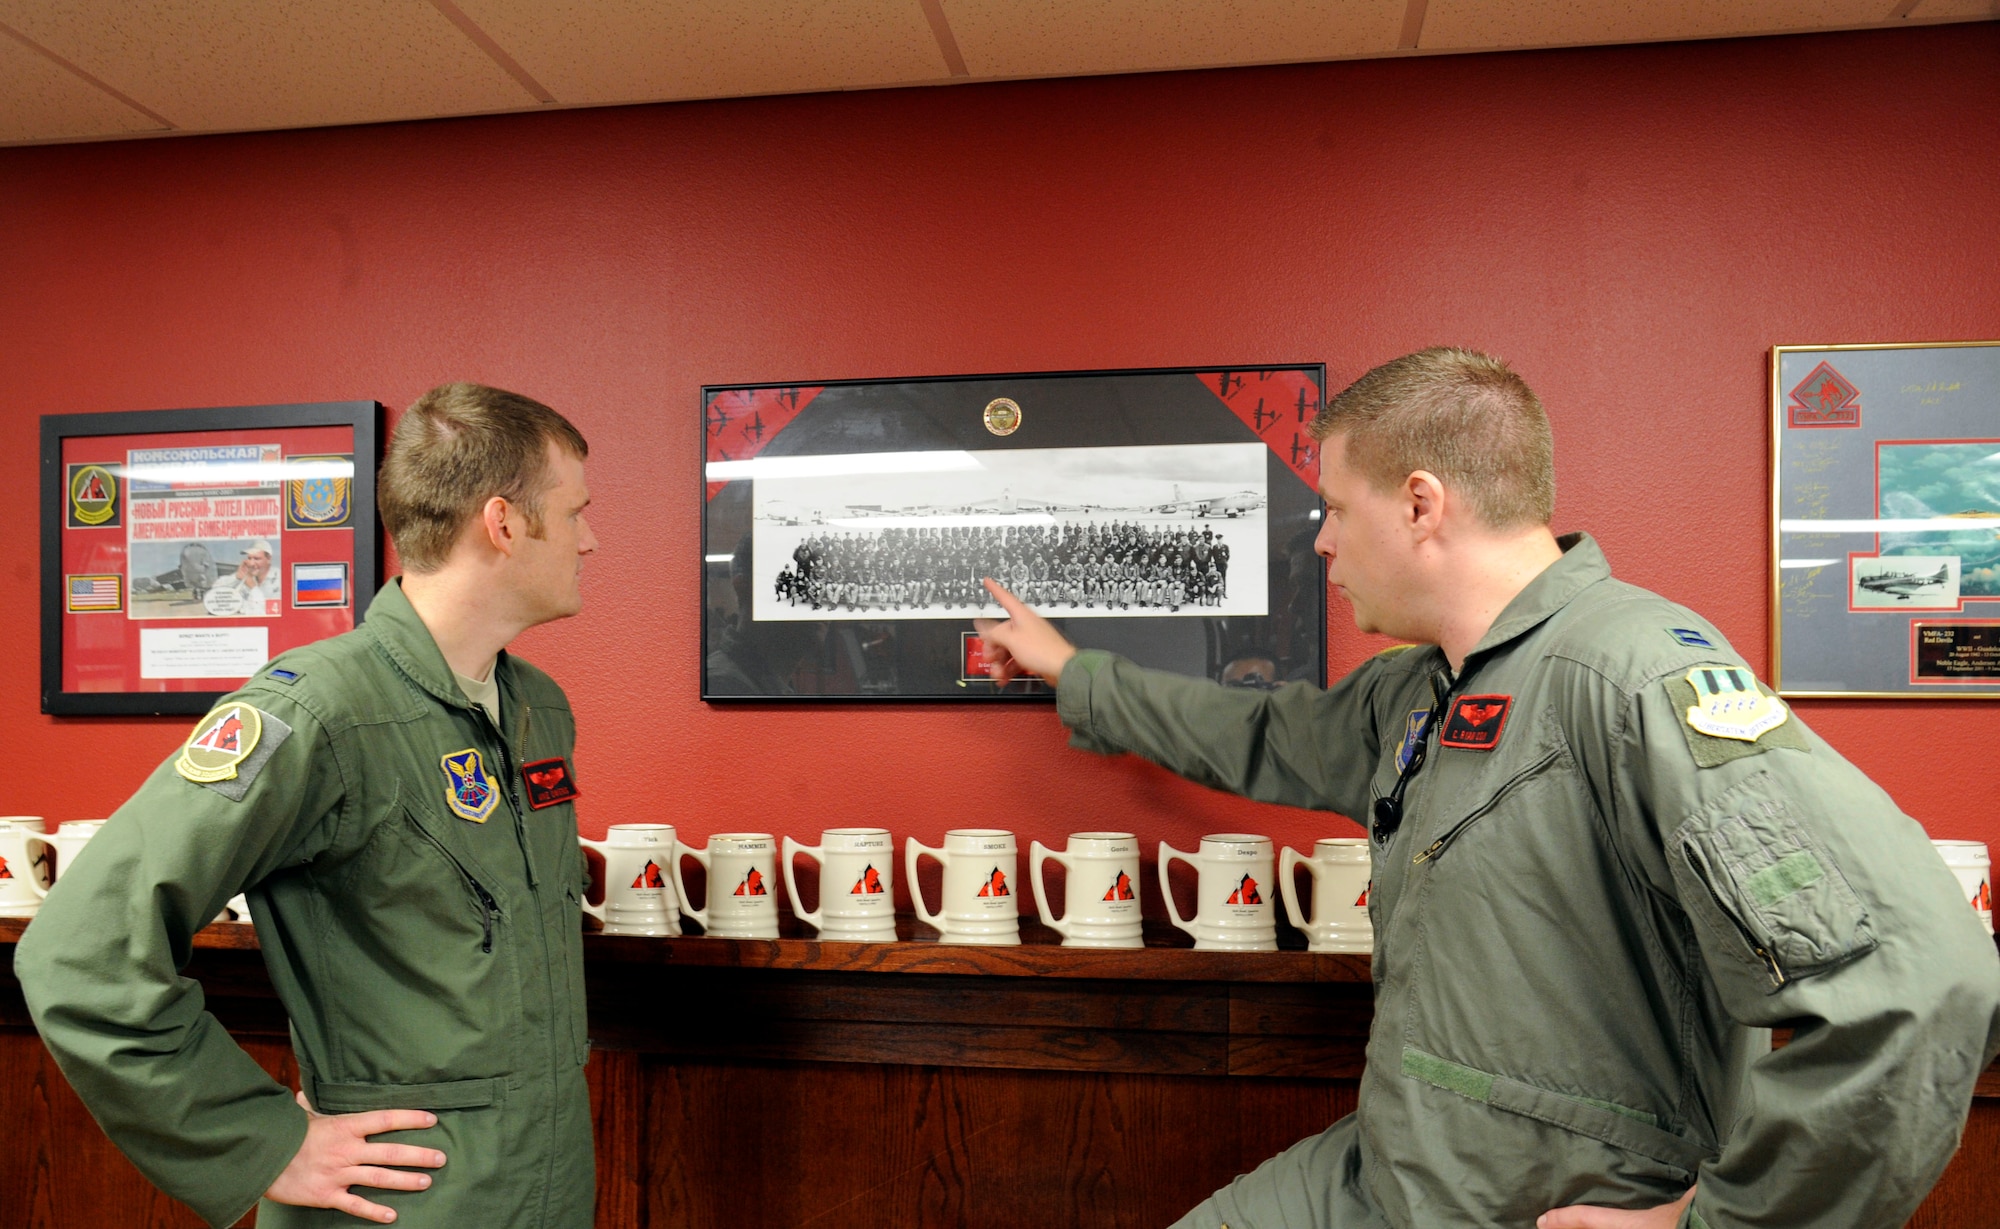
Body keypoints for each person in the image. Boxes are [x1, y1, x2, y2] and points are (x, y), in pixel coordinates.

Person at [974, 347, 2000, 1229]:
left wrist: (1719, 1219)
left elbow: (1921, 980)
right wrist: (1073, 668)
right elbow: (1253, 731)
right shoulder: (1416, 689)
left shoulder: (1632, 672)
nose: (1322, 541)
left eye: (1334, 506)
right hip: (1399, 1168)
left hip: (1546, 1196)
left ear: (1421, 502)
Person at [19, 382, 600, 1228]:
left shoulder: (538, 707)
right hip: (403, 1202)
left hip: (549, 1186)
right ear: (504, 523)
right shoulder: (317, 713)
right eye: (577, 510)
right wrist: (260, 1139)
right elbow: (78, 954)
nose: (592, 537)